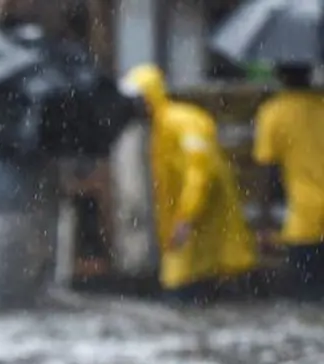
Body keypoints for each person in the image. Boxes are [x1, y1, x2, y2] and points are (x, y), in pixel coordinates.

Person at [119, 64, 259, 306]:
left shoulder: (182, 121)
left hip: (201, 226)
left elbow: (199, 173)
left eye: (138, 99)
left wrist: (186, 217)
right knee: (193, 294)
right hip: (187, 231)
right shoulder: (160, 128)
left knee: (185, 292)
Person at [253, 65, 324, 300]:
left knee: (308, 300)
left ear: (280, 74)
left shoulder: (273, 113)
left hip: (304, 223)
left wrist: (264, 224)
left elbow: (266, 171)